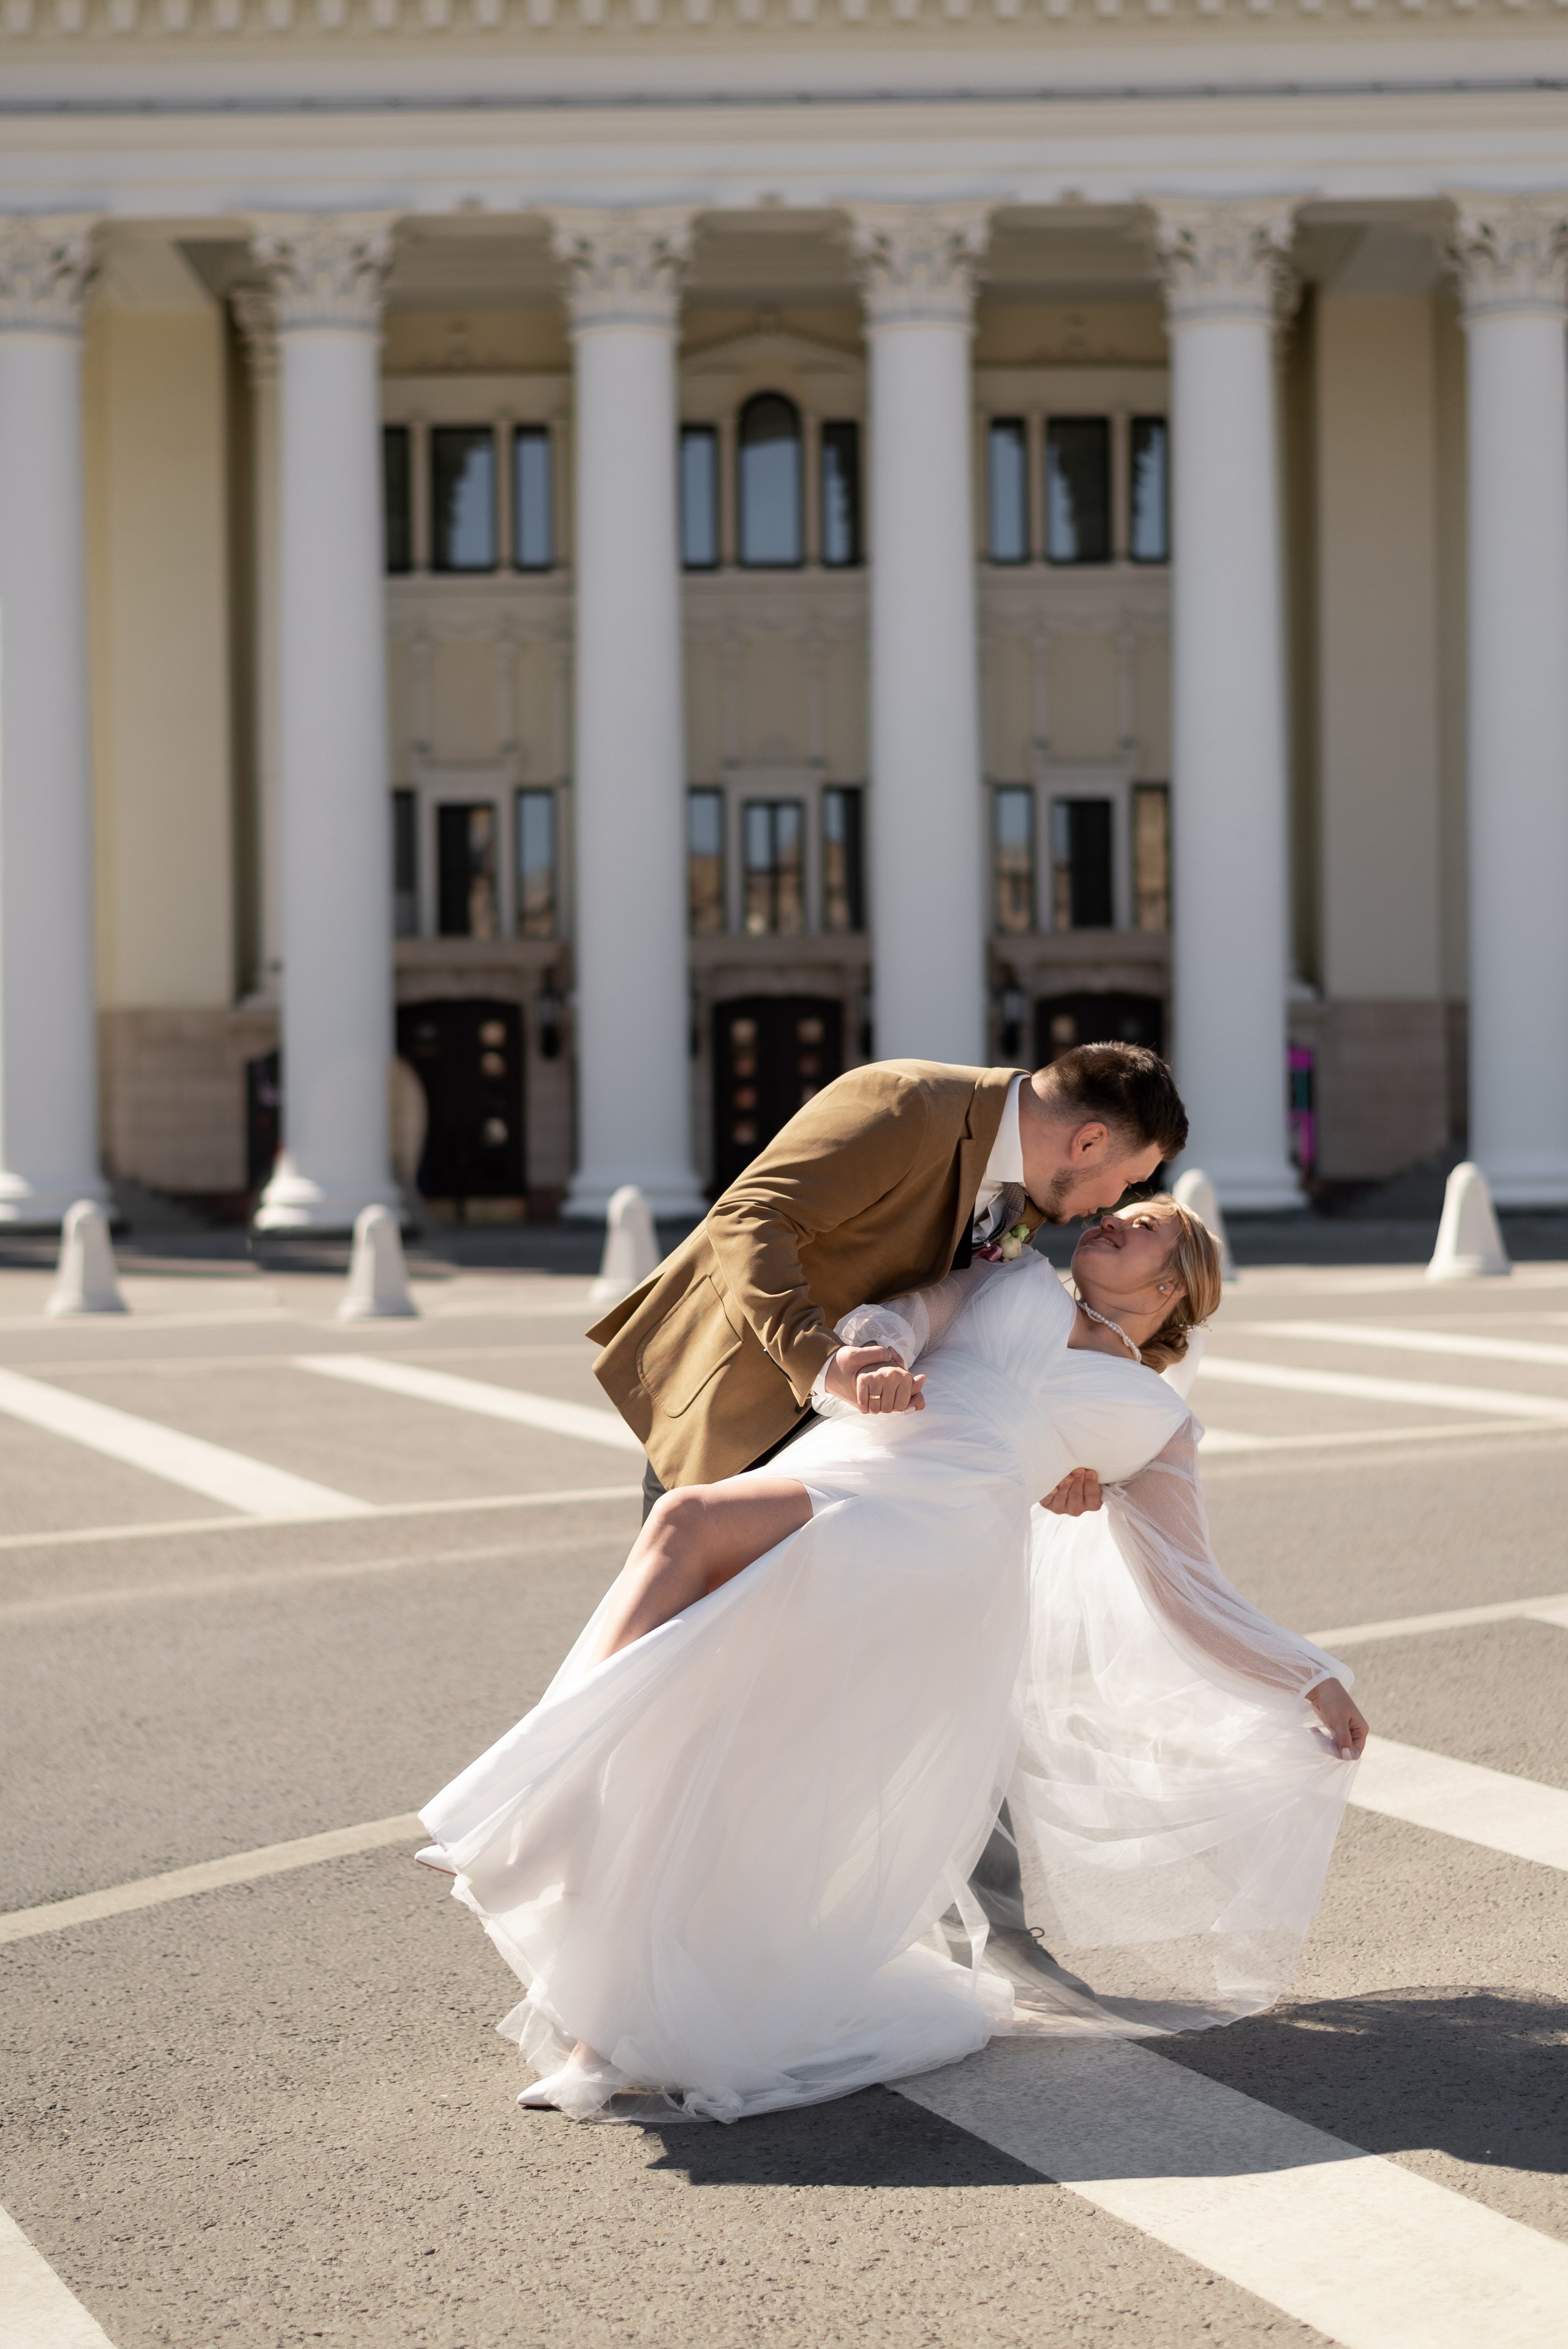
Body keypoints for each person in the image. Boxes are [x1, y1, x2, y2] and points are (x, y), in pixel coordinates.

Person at [418, 1194, 1368, 2124]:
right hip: (847, 1463)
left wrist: (1309, 1674)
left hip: (935, 1536)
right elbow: (904, 1317)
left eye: (1146, 1224)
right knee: (713, 1752)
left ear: (1174, 1285)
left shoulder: (1155, 1421)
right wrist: (877, 1359)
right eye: (1122, 1210)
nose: (1113, 1218)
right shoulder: (1013, 1279)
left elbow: (1189, 1586)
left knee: (684, 1520)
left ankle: (538, 1807)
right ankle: (603, 2032)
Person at [584, 1044, 1188, 1515]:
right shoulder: (907, 1102)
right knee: (681, 1622)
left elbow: (963, 1319)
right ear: (1088, 1141)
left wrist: (1048, 1457)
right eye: (1128, 1180)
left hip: (850, 1444)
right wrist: (821, 1361)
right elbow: (751, 1215)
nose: (1115, 1203)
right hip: (738, 1400)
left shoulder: (1030, 1194)